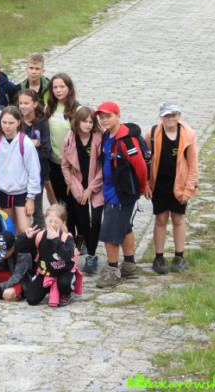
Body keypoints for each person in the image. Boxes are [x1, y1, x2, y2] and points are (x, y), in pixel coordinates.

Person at [95, 101, 148, 288]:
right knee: (125, 227)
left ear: (118, 116)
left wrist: (142, 188)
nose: (104, 120)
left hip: (121, 193)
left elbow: (141, 167)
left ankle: (112, 271)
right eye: (101, 117)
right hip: (111, 190)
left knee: (110, 232)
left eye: (108, 116)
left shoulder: (126, 140)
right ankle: (129, 265)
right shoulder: (107, 135)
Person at [147, 100, 198, 274]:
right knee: (160, 219)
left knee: (178, 218)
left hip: (180, 185)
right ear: (161, 116)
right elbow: (145, 160)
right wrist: (146, 183)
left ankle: (179, 256)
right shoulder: (152, 133)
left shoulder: (188, 135)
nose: (170, 118)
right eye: (166, 115)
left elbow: (193, 165)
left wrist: (189, 189)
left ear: (179, 116)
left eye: (173, 115)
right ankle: (159, 257)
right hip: (159, 185)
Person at [61, 105, 104, 274]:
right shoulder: (70, 138)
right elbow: (65, 167)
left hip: (96, 185)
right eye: (84, 121)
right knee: (84, 221)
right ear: (77, 122)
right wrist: (78, 190)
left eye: (91, 122)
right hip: (78, 186)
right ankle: (89, 250)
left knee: (97, 221)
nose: (88, 125)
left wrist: (91, 189)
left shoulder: (99, 138)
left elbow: (104, 167)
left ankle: (92, 255)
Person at [18, 204, 82, 307]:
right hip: (46, 273)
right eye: (50, 221)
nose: (52, 224)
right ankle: (49, 287)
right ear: (45, 220)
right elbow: (19, 248)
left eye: (56, 222)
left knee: (64, 283)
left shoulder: (67, 238)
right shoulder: (40, 236)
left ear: (63, 223)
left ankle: (66, 292)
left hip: (63, 273)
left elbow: (67, 255)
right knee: (31, 299)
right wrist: (25, 237)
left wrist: (56, 239)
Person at [0, 106, 41, 234]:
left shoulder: (25, 143)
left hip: (21, 193)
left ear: (19, 122)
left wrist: (31, 198)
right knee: (9, 230)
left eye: (11, 123)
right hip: (3, 192)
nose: (7, 126)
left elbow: (34, 171)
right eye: (4, 122)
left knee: (24, 231)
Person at [44, 73, 79, 212]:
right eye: (55, 87)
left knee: (74, 201)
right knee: (61, 200)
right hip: (54, 162)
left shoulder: (77, 109)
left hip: (71, 164)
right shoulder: (49, 108)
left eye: (62, 87)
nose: (58, 90)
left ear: (69, 88)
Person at [17, 89, 51, 229]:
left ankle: (39, 234)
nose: (22, 106)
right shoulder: (16, 121)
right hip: (18, 172)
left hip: (38, 173)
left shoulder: (42, 123)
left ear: (35, 104)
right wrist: (30, 143)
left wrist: (29, 155)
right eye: (20, 103)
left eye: (26, 103)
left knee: (36, 208)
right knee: (20, 206)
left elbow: (46, 151)